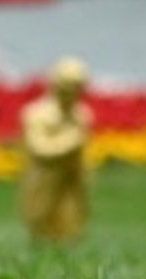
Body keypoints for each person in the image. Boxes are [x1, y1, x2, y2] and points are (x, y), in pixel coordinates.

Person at [19, 57, 93, 242]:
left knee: (70, 222)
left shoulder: (81, 115)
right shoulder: (37, 114)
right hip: (45, 178)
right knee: (42, 219)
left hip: (71, 180)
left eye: (76, 88)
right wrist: (68, 142)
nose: (72, 93)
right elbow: (38, 148)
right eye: (68, 87)